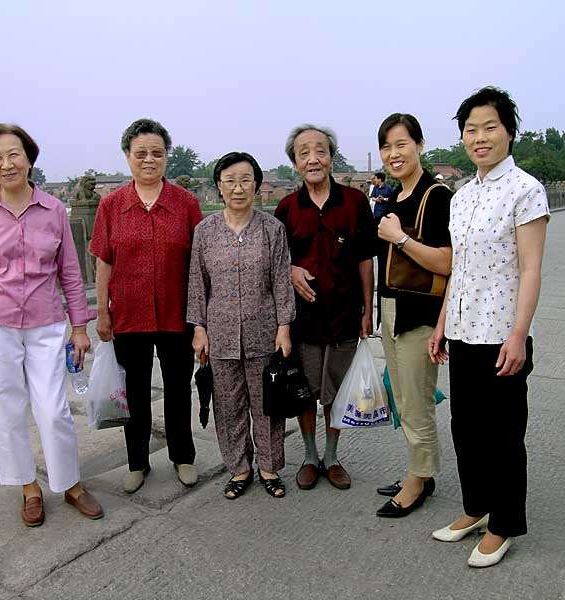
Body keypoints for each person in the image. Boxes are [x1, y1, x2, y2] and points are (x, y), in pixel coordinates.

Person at [0, 123, 103, 527]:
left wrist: (80, 327)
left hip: (46, 324)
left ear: (29, 158)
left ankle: (70, 484)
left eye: (13, 154)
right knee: (7, 411)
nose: (6, 164)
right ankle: (28, 487)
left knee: (53, 410)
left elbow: (71, 272)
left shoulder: (53, 209)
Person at [429, 87, 549, 568]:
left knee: (502, 435)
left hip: (501, 334)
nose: (479, 137)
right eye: (470, 129)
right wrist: (442, 322)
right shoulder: (462, 195)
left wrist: (519, 334)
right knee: (466, 429)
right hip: (462, 330)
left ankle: (504, 523)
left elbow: (531, 269)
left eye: (489, 127)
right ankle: (476, 508)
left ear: (508, 131)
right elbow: (457, 267)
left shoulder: (526, 189)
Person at [90, 118, 202, 494]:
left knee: (177, 389)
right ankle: (137, 462)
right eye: (141, 154)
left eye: (157, 153)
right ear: (128, 158)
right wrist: (102, 313)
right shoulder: (112, 206)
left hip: (177, 314)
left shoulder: (185, 204)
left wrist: (201, 318)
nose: (149, 160)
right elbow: (103, 261)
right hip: (129, 315)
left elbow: (199, 263)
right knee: (134, 393)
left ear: (167, 156)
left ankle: (182, 456)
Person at [187, 152, 295, 499]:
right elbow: (197, 283)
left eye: (245, 179)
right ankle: (239, 469)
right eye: (230, 180)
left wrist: (284, 327)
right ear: (219, 186)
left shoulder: (272, 229)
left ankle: (269, 467)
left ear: (257, 185)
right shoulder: (205, 231)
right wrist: (199, 328)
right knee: (228, 405)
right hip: (219, 335)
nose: (238, 187)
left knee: (267, 405)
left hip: (264, 332)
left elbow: (281, 280)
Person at [275, 124, 377, 491]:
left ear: (332, 158)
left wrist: (369, 308)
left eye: (320, 151)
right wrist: (289, 269)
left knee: (338, 391)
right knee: (305, 391)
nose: (313, 158)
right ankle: (308, 455)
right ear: (295, 163)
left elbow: (366, 258)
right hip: (302, 321)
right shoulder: (286, 207)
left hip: (345, 314)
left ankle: (332, 457)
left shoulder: (354, 202)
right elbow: (274, 262)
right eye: (304, 153)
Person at [373, 114, 453, 518]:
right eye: (387, 146)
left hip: (419, 311)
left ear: (419, 145)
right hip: (389, 308)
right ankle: (418, 471)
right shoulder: (390, 196)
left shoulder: (435, 195)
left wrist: (400, 238)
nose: (393, 153)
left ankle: (419, 480)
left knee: (417, 400)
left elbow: (446, 261)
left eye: (401, 144)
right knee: (402, 398)